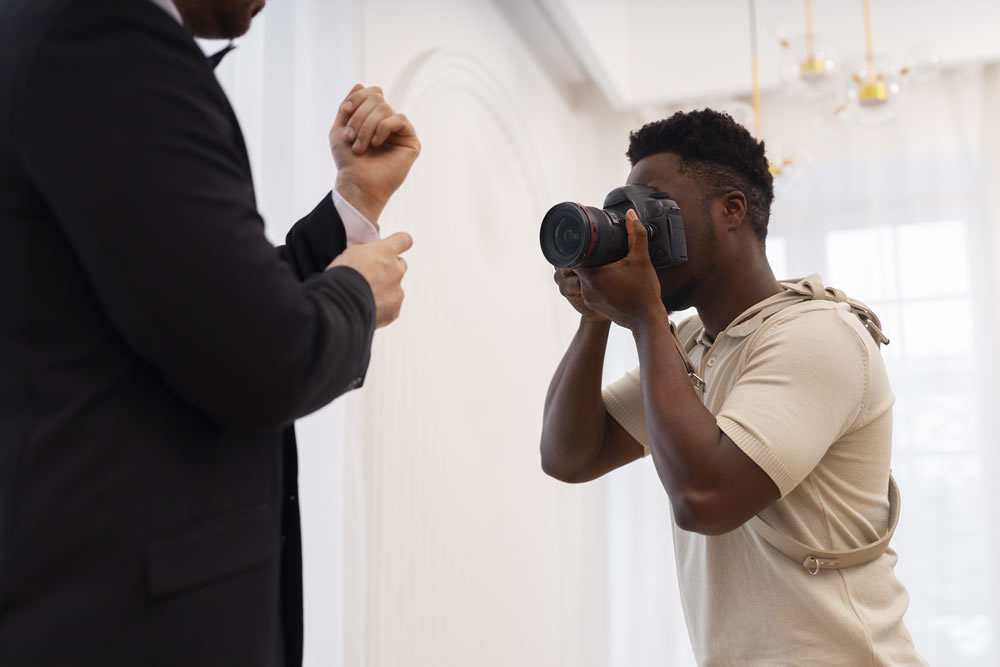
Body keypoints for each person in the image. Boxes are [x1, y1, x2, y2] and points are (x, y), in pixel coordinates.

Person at [0, 0, 419, 664]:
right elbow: (261, 358)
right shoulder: (100, 37)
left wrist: (355, 202)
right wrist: (356, 295)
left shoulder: (54, 31)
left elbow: (189, 304)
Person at [540, 109, 926, 665]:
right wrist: (595, 315)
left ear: (731, 211)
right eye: (623, 213)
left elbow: (706, 500)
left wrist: (647, 315)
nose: (636, 234)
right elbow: (569, 456)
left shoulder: (817, 334)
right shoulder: (697, 344)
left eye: (653, 208)